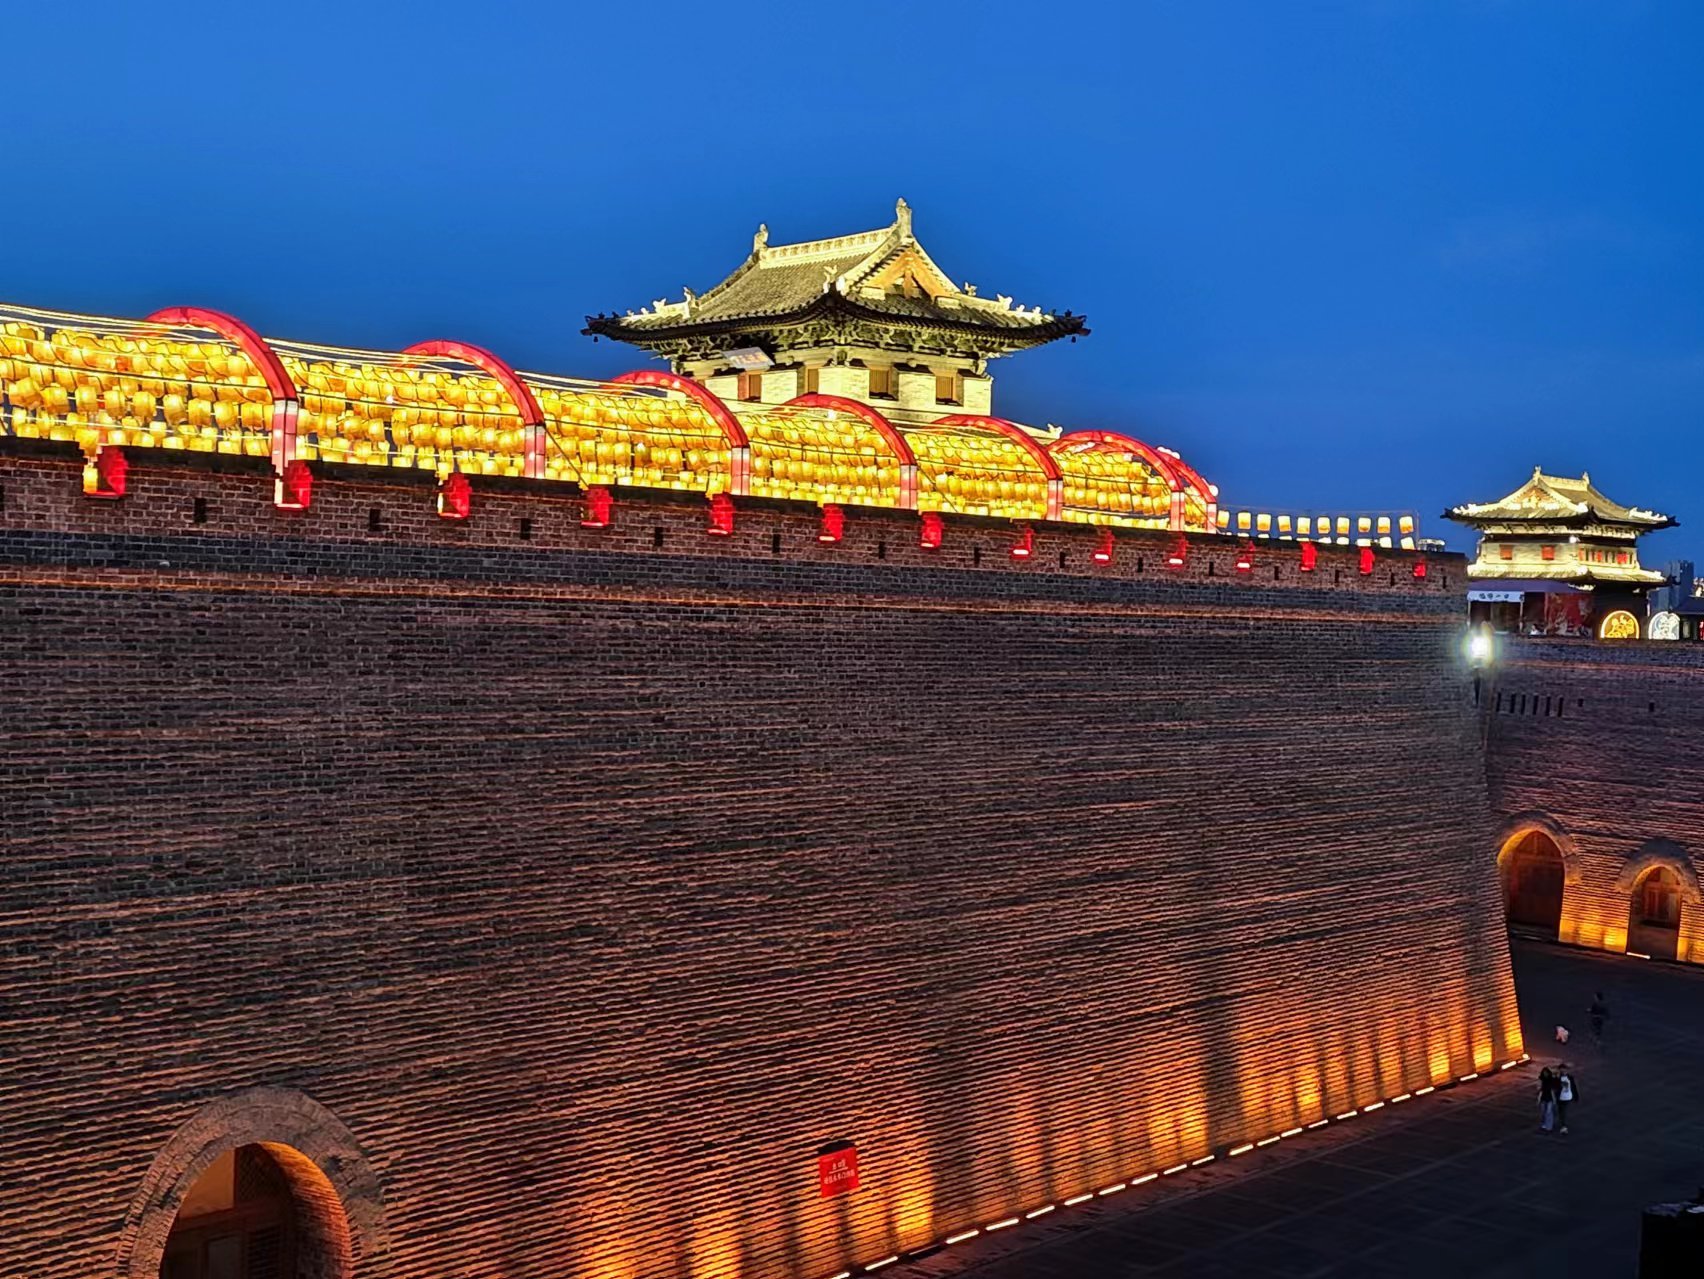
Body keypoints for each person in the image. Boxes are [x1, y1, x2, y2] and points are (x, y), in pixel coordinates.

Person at [1556, 1064, 1578, 1134]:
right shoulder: (1558, 1078)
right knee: (1560, 1111)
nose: (1563, 1071)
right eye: (1561, 1070)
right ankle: (1563, 1124)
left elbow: (1573, 1087)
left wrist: (1576, 1096)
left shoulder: (1570, 1078)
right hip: (1560, 1097)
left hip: (1566, 1097)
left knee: (1563, 1111)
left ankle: (1564, 1126)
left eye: (1564, 1070)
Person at [1537, 1067, 1558, 1133]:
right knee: (1543, 1112)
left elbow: (1552, 1090)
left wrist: (1554, 1100)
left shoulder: (1551, 1080)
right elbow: (1540, 1090)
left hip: (1549, 1098)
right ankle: (1545, 1124)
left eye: (1546, 1073)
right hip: (1544, 1098)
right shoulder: (1542, 1080)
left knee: (1549, 1112)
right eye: (1544, 1073)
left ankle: (1549, 1126)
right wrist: (1539, 1099)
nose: (1545, 1074)